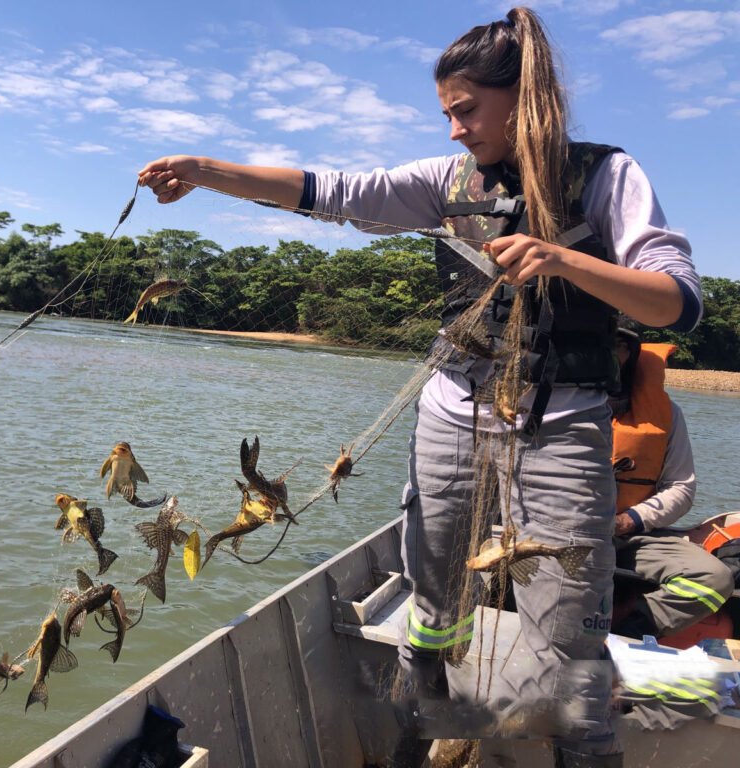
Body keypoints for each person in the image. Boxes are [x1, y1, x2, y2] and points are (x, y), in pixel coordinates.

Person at [139, 7, 701, 767]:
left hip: (562, 421)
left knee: (568, 637)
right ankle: (427, 732)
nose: (454, 130)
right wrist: (206, 173)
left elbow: (676, 300)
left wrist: (565, 261)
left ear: (524, 97)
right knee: (434, 600)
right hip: (453, 408)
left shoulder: (606, 174)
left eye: (466, 110)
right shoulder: (448, 181)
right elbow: (334, 190)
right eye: (446, 113)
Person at [610, 329, 733, 640]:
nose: (612, 353)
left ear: (632, 354)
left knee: (715, 578)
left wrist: (629, 520)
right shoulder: (548, 402)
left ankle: (633, 627)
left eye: (621, 346)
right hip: (556, 533)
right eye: (603, 343)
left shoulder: (667, 415)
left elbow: (681, 488)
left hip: (630, 537)